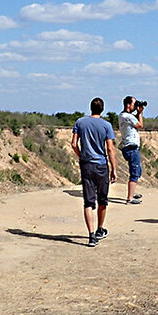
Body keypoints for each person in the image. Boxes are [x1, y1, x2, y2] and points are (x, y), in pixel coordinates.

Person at [71, 97, 118, 247]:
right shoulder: (106, 125)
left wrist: (81, 155)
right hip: (101, 165)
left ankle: (91, 235)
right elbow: (110, 148)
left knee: (88, 201)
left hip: (86, 164)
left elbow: (73, 144)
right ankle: (99, 229)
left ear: (90, 108)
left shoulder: (80, 122)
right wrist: (114, 169)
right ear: (102, 109)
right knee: (102, 199)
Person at [117, 95, 145, 204]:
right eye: (134, 103)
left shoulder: (122, 115)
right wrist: (140, 113)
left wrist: (138, 111)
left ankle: (132, 193)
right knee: (134, 173)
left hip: (129, 147)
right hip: (131, 148)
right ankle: (130, 198)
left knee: (138, 171)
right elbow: (140, 125)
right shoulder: (127, 117)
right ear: (128, 105)